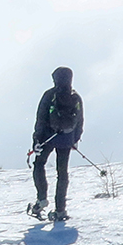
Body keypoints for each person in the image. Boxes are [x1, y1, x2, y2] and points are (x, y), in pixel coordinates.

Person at [30, 66, 83, 220]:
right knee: (62, 173)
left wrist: (36, 140)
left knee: (39, 164)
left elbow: (41, 119)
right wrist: (74, 140)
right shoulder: (76, 97)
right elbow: (80, 121)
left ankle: (41, 198)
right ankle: (60, 209)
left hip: (48, 137)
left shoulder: (49, 95)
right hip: (66, 140)